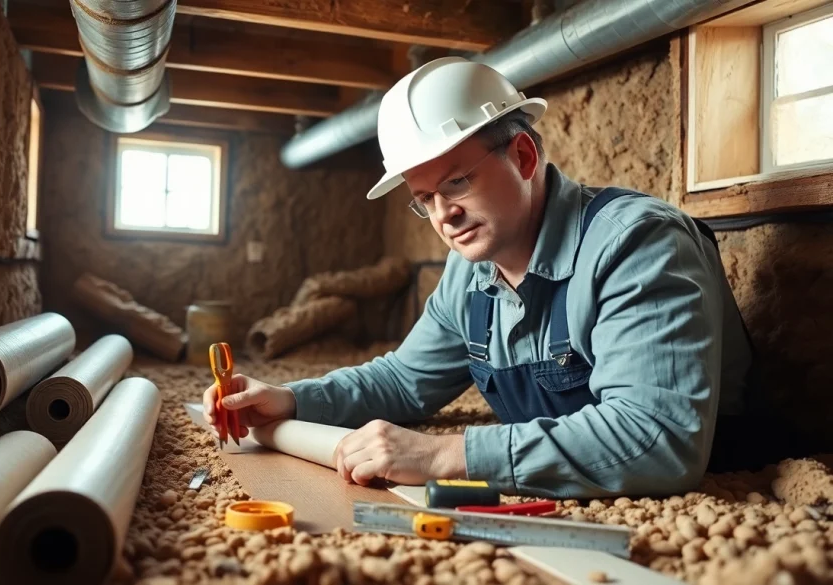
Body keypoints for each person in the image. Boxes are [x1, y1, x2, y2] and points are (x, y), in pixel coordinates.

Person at [202, 57, 756, 499]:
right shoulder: (469, 272)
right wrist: (292, 401)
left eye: (458, 183)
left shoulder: (637, 245)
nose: (444, 215)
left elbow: (657, 441)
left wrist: (445, 455)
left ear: (522, 154)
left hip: (719, 483)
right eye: (425, 200)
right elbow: (403, 380)